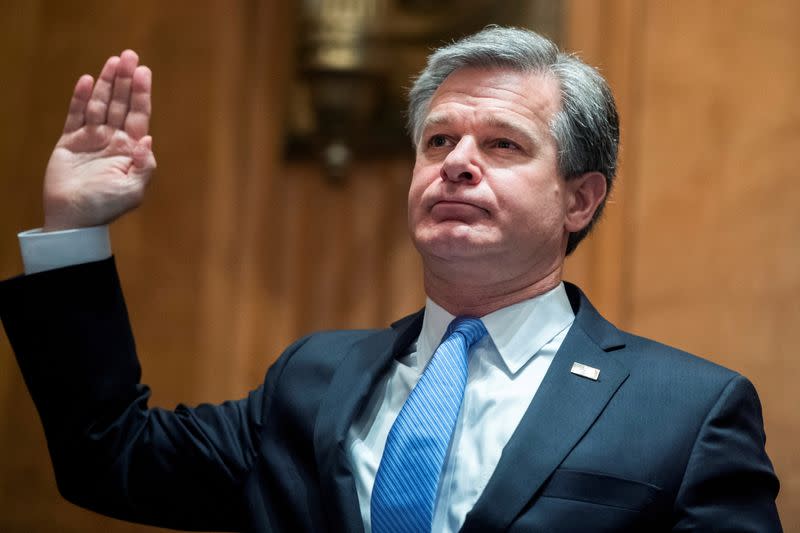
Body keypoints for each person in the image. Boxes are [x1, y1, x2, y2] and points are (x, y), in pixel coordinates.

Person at [0, 26, 782, 532]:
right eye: (438, 139)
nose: (457, 162)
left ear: (579, 198)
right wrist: (74, 228)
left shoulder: (686, 411)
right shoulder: (311, 378)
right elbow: (112, 453)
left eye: (503, 145)